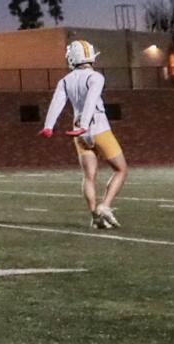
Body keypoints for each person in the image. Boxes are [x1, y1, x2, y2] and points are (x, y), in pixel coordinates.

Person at [41, 39, 128, 229]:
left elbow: (57, 103)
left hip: (78, 131)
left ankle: (95, 216)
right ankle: (105, 206)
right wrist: (86, 124)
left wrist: (49, 126)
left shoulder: (65, 80)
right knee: (121, 169)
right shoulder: (96, 77)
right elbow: (91, 99)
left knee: (89, 176)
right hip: (97, 127)